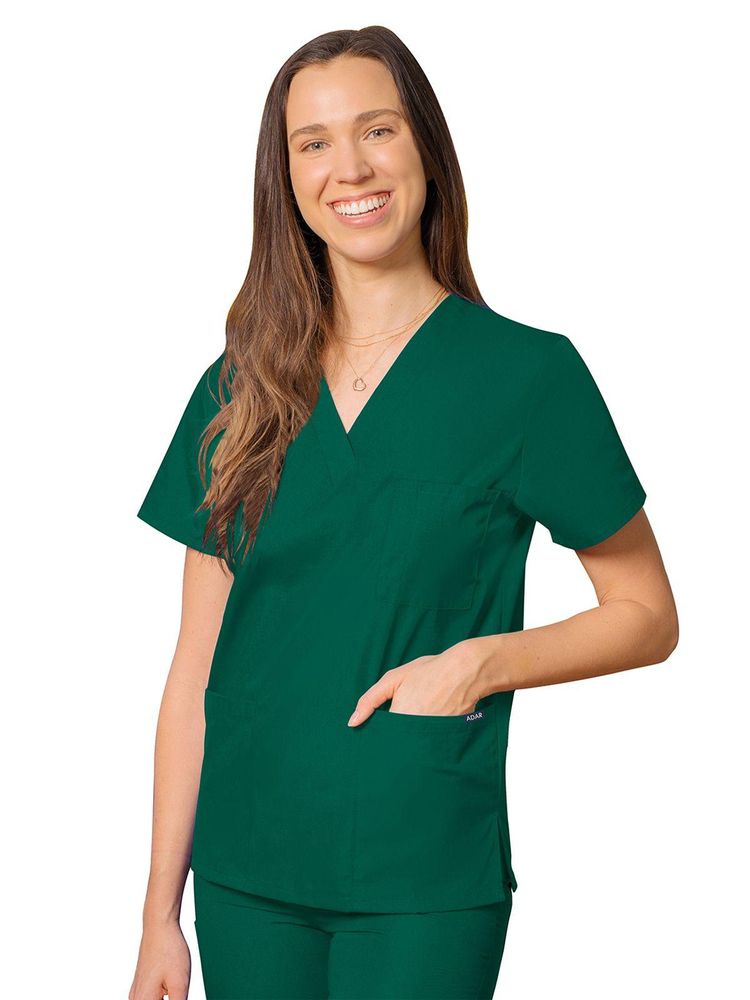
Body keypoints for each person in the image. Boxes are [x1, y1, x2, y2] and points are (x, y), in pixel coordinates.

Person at [128, 25, 679, 1000]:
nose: (350, 167)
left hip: (424, 873)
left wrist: (483, 661)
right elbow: (193, 674)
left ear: (425, 147)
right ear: (286, 177)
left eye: (376, 130)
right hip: (245, 876)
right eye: (314, 142)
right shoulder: (238, 388)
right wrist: (158, 917)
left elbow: (647, 615)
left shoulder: (527, 378)